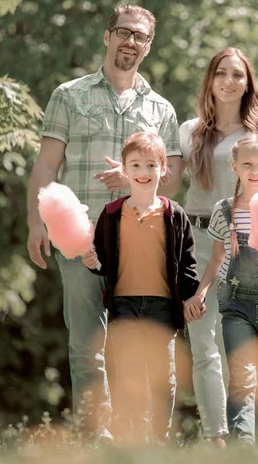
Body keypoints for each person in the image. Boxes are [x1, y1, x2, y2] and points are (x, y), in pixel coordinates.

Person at [26, 5, 183, 433]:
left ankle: (136, 435)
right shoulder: (69, 95)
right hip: (79, 239)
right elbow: (45, 167)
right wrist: (35, 223)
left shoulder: (161, 110)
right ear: (107, 35)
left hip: (140, 243)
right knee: (86, 344)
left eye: (140, 36)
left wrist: (133, 180)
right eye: (124, 32)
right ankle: (95, 435)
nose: (130, 41)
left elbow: (171, 179)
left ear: (148, 46)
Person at [176, 47, 258, 446]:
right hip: (194, 239)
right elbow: (169, 184)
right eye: (221, 73)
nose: (229, 81)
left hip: (244, 242)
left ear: (248, 83)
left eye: (238, 74)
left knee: (236, 341)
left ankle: (244, 435)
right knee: (202, 342)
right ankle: (215, 436)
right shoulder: (189, 131)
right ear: (210, 79)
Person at [184, 132, 258, 446]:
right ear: (234, 168)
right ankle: (244, 449)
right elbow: (217, 259)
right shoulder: (224, 211)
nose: (255, 169)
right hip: (235, 306)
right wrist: (199, 292)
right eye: (247, 163)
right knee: (241, 380)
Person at [81, 132, 199, 444]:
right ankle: (127, 439)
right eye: (135, 165)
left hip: (163, 306)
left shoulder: (175, 215)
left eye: (150, 165)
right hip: (124, 305)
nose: (143, 172)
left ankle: (159, 439)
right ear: (125, 170)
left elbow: (187, 263)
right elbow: (103, 262)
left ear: (164, 168)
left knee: (162, 377)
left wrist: (189, 297)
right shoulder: (111, 214)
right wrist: (92, 262)